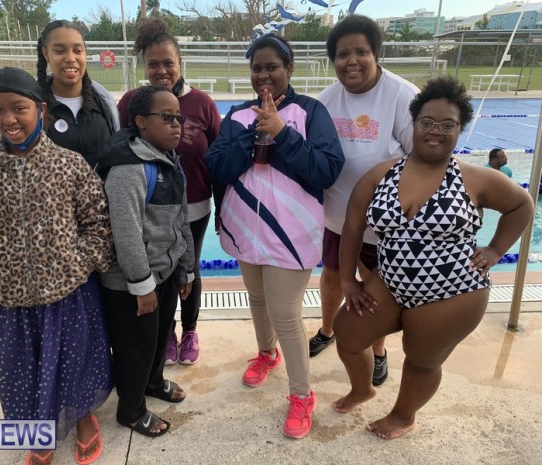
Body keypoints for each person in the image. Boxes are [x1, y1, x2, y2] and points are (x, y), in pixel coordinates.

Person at [332, 75, 534, 440]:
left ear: (460, 129)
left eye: (447, 125)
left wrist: (494, 250)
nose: (435, 131)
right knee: (347, 333)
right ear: (414, 124)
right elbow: (351, 226)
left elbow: (521, 204)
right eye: (427, 122)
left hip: (453, 292)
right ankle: (363, 389)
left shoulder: (474, 178)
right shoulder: (381, 174)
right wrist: (348, 280)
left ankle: (404, 415)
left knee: (422, 360)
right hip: (390, 283)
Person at [0, 67, 114, 465]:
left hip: (68, 294)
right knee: (22, 371)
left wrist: (77, 264)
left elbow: (97, 224)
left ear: (40, 108)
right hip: (11, 300)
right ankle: (39, 434)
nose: (9, 119)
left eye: (19, 108)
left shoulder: (69, 165)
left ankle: (83, 418)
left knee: (75, 363)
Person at [206, 34, 345, 439]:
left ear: (289, 69)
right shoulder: (236, 116)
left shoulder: (310, 112)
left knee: (286, 314)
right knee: (258, 299)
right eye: (256, 68)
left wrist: (282, 132)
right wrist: (252, 137)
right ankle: (266, 354)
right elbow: (217, 165)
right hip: (244, 230)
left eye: (272, 66)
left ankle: (302, 395)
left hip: (291, 234)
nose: (264, 74)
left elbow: (326, 170)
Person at [310, 15, 420, 388]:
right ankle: (327, 330)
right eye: (342, 54)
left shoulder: (403, 96)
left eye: (361, 51)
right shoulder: (325, 101)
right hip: (337, 217)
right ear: (333, 60)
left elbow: (421, 159)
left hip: (382, 223)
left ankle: (378, 351)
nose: (351, 61)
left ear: (376, 53)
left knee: (375, 289)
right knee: (332, 278)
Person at [117, 18, 221, 366]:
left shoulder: (202, 103)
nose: (161, 70)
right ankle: (168, 332)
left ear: (180, 64)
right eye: (153, 63)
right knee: (159, 272)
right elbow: (122, 149)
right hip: (149, 209)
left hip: (193, 206)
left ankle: (190, 329)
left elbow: (219, 156)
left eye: (168, 63)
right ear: (143, 66)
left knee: (188, 269)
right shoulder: (131, 102)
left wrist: (224, 210)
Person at [97, 85, 195, 438]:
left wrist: (186, 267)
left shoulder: (168, 160)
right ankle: (132, 409)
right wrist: (141, 285)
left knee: (157, 338)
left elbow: (180, 219)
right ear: (140, 122)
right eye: (166, 118)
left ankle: (153, 383)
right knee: (135, 348)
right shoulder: (129, 169)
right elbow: (125, 232)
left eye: (179, 117)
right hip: (131, 283)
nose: (176, 125)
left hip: (164, 272)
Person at [37, 19, 120, 170]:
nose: (70, 58)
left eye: (77, 50)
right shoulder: (34, 106)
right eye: (60, 51)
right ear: (46, 54)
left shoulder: (104, 103)